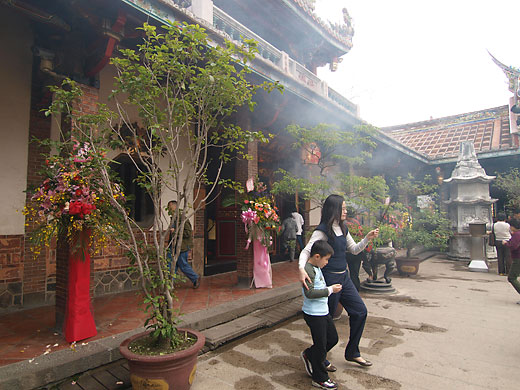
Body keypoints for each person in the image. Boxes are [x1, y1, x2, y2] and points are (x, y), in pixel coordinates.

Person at [299, 194, 379, 367]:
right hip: (328, 280)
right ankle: (319, 357)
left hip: (344, 278)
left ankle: (353, 352)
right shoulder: (322, 231)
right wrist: (300, 269)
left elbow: (354, 250)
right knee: (324, 322)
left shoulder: (343, 228)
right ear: (333, 209)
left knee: (360, 311)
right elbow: (306, 251)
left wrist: (367, 238)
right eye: (342, 208)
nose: (345, 211)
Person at [300, 240, 342, 389]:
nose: (327, 262)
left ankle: (310, 355)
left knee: (333, 339)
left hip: (323, 313)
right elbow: (310, 293)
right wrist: (330, 290)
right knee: (321, 346)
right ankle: (320, 378)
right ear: (317, 256)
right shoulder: (308, 270)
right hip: (314, 314)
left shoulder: (316, 268)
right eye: (326, 259)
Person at [167, 200, 200, 289]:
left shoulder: (183, 218)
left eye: (169, 207)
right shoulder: (173, 219)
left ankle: (195, 278)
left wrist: (175, 233)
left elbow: (188, 233)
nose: (168, 209)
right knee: (170, 265)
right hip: (172, 246)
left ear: (175, 207)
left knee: (182, 265)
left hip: (182, 247)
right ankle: (170, 284)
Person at [345, 208, 369, 291]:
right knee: (355, 273)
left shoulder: (345, 224)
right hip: (358, 250)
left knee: (345, 273)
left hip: (347, 252)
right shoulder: (357, 223)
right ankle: (356, 290)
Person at [504, 218, 520, 304]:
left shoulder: (517, 235)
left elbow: (514, 246)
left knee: (512, 277)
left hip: (518, 258)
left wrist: (506, 243)